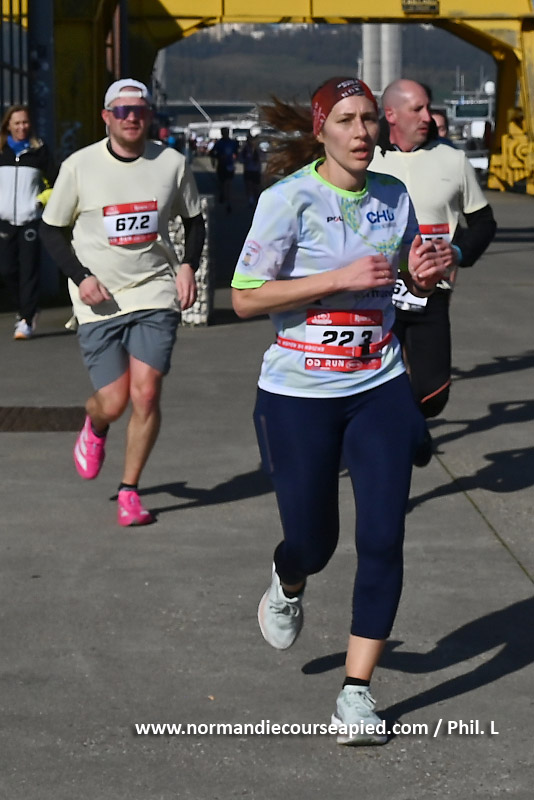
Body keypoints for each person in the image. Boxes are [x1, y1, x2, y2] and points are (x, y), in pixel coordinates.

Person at [231, 77, 447, 746]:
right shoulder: (287, 199)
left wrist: (422, 274)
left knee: (382, 538)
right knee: (314, 542)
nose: (361, 132)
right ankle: (289, 577)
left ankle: (356, 693)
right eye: (347, 120)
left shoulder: (393, 196)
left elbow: (404, 282)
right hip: (298, 394)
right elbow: (244, 298)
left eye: (369, 120)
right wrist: (337, 279)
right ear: (320, 129)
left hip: (378, 384)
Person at [40, 79, 205, 527]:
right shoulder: (79, 166)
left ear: (149, 116)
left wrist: (187, 266)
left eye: (140, 110)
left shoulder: (170, 163)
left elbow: (194, 220)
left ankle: (130, 490)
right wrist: (81, 277)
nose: (132, 117)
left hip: (153, 290)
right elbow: (52, 230)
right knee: (113, 403)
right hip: (99, 297)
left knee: (146, 393)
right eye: (122, 110)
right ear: (107, 117)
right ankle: (95, 426)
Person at [370, 80, 496, 438]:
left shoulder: (453, 160)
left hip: (431, 290)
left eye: (428, 107)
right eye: (418, 109)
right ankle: (395, 439)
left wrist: (457, 252)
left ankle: (410, 424)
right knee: (372, 382)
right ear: (391, 114)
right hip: (377, 291)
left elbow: (484, 222)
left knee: (433, 394)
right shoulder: (368, 159)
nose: (428, 116)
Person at [0, 104, 56, 340]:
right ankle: (26, 308)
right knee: (6, 270)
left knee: (29, 270)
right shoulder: (2, 150)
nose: (22, 127)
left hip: (30, 219)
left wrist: (39, 202)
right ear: (8, 125)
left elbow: (55, 183)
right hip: (4, 220)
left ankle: (26, 319)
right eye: (17, 123)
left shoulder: (39, 151)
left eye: (25, 122)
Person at [210, 127, 238, 212]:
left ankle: (228, 202)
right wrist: (217, 158)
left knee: (228, 183)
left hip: (229, 165)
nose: (226, 134)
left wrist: (234, 158)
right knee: (222, 183)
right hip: (221, 165)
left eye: (227, 132)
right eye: (224, 132)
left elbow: (236, 152)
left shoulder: (232, 142)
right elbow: (212, 153)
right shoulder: (219, 143)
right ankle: (222, 193)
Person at [239, 131, 262, 208]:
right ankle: (250, 200)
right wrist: (246, 160)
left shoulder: (258, 150)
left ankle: (256, 200)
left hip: (256, 170)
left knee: (256, 187)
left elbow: (263, 158)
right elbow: (240, 159)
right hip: (248, 170)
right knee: (249, 186)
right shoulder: (245, 150)